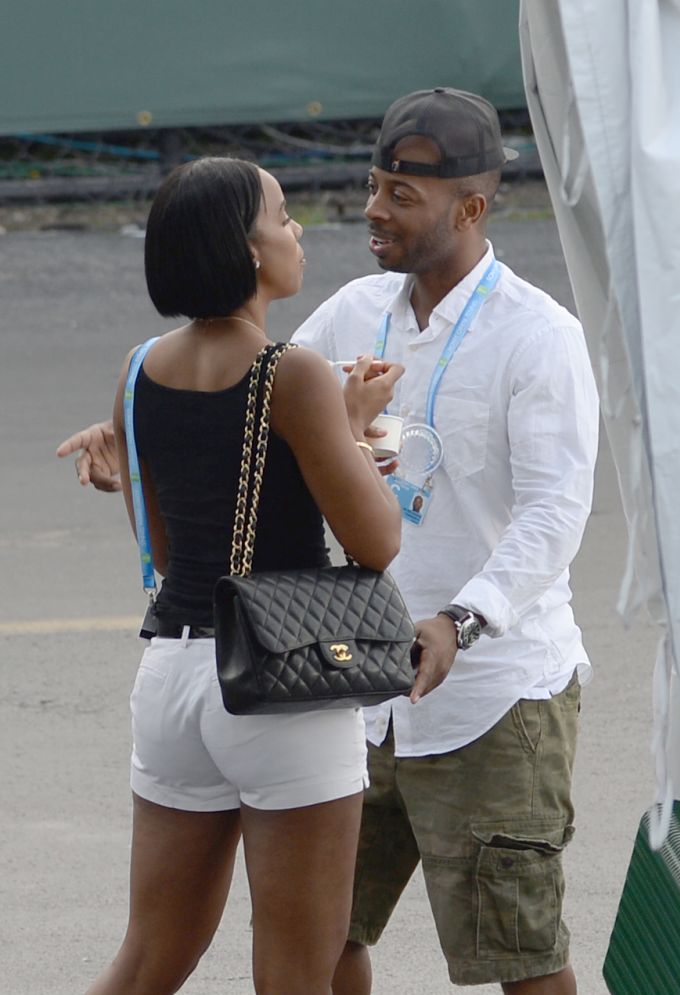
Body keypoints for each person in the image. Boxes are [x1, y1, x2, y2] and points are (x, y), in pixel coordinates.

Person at [58, 88, 599, 994]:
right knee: (323, 945)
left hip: (485, 694)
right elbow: (253, 407)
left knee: (520, 952)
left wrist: (462, 620)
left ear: (470, 207)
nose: (368, 210)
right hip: (332, 676)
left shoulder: (540, 337)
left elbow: (553, 513)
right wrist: (144, 438)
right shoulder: (348, 315)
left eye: (400, 195)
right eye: (374, 184)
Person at [76, 155, 405, 995]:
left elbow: (164, 544)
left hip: (176, 677)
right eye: (283, 215)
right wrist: (357, 431)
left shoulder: (138, 367)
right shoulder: (288, 373)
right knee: (299, 968)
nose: (296, 231)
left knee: (150, 957)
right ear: (249, 250)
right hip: (281, 683)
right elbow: (377, 540)